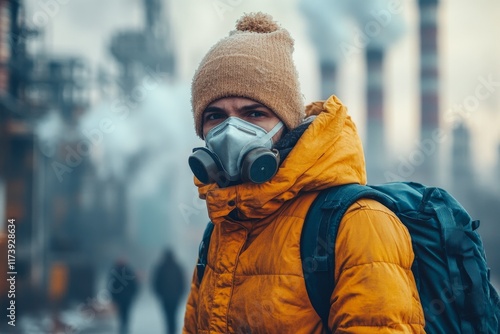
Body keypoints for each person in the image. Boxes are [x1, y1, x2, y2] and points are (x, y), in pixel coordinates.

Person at [183, 12, 425, 333]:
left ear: (287, 125)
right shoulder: (222, 227)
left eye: (254, 113)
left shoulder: (357, 222)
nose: (230, 131)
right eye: (215, 116)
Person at [153, 248, 187, 334]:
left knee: (167, 315)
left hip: (165, 297)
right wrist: (180, 294)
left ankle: (169, 330)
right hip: (175, 297)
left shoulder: (160, 267)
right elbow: (182, 282)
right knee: (173, 314)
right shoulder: (177, 267)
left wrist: (159, 294)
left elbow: (156, 282)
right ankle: (172, 330)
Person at [109, 259, 139, 334]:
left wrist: (113, 295)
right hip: (125, 297)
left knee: (123, 313)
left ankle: (123, 327)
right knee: (124, 313)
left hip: (122, 297)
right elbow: (134, 285)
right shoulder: (128, 271)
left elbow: (111, 285)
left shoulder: (115, 272)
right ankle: (124, 327)